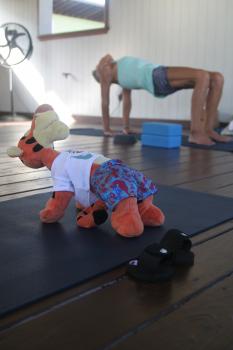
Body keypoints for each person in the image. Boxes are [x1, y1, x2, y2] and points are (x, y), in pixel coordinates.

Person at [93, 54, 231, 145]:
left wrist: (126, 127)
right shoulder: (105, 72)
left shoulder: (123, 80)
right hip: (155, 76)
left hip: (158, 76)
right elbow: (105, 102)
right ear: (100, 75)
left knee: (217, 78)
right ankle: (196, 132)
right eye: (101, 68)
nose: (104, 64)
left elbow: (127, 103)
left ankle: (208, 129)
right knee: (202, 76)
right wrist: (106, 128)